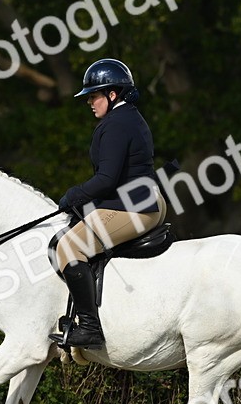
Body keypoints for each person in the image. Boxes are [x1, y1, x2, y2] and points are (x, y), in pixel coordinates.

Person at [51, 58, 167, 349]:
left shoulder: (115, 125)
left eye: (93, 96)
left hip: (132, 208)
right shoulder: (129, 117)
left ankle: (89, 327)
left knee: (68, 246)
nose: (89, 102)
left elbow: (106, 178)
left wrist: (74, 195)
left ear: (112, 94)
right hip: (145, 199)